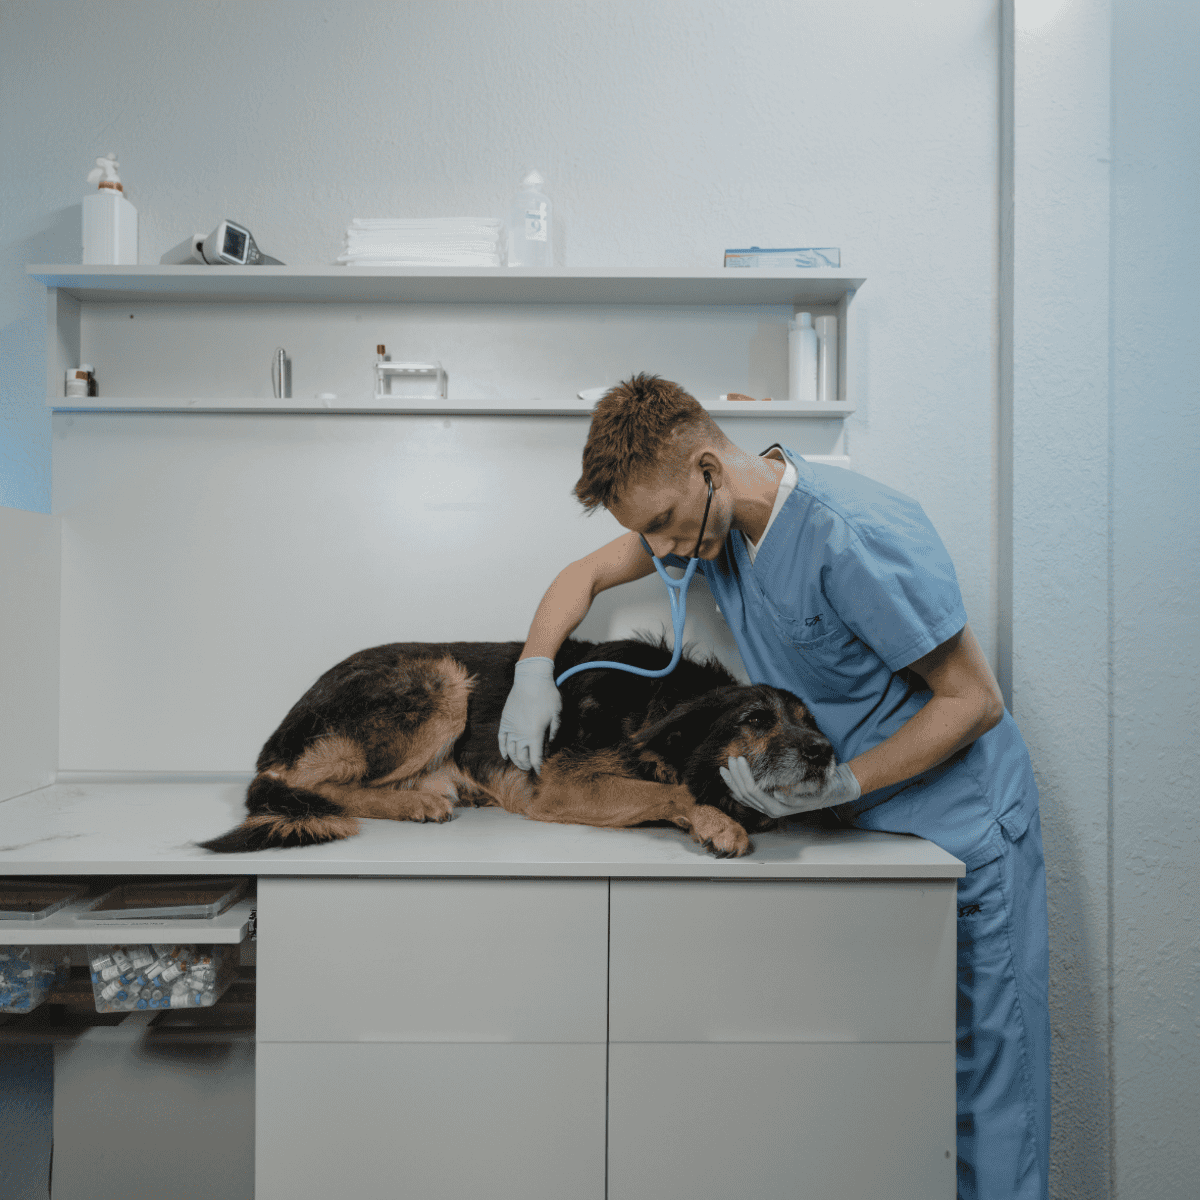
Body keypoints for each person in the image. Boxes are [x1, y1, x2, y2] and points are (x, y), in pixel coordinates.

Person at [498, 374, 1050, 1200]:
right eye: (645, 535)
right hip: (860, 831)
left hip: (957, 828)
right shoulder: (708, 526)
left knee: (980, 1094)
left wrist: (849, 782)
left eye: (663, 525)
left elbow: (975, 700)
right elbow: (580, 576)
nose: (665, 551)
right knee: (882, 1090)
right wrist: (534, 667)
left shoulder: (848, 533)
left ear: (709, 466)